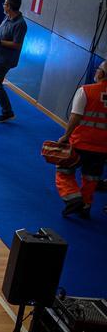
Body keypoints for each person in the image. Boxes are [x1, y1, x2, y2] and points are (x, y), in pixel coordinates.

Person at [53, 59, 107, 217]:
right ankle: (85, 206)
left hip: (81, 142)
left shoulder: (86, 90)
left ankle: (73, 198)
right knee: (91, 177)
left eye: (98, 69)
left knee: (64, 170)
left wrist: (66, 136)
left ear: (102, 73)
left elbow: (75, 117)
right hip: (103, 147)